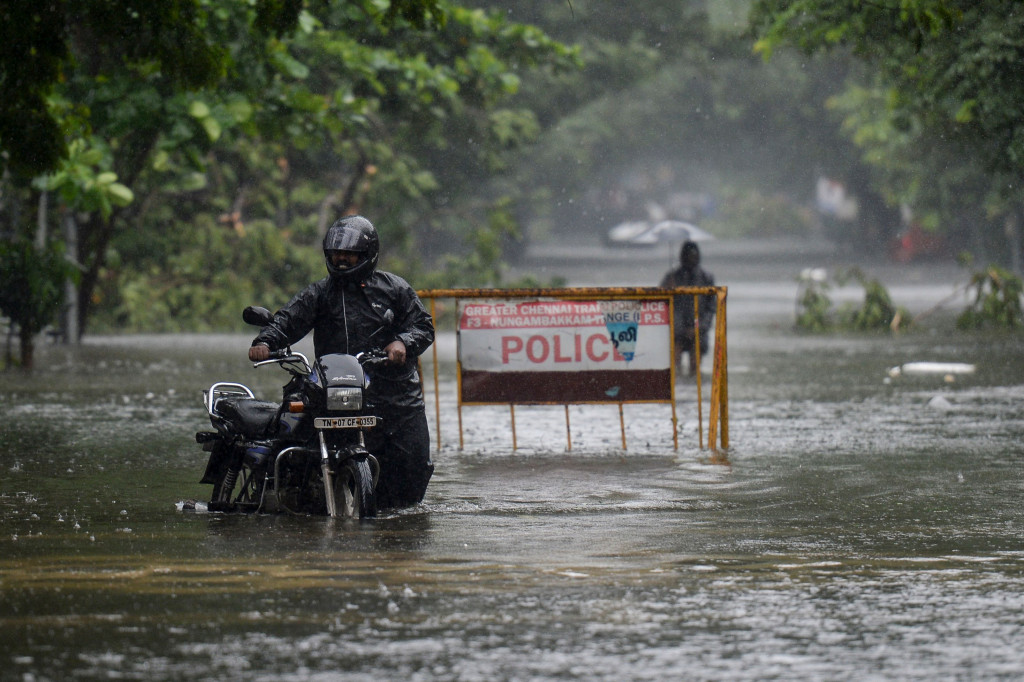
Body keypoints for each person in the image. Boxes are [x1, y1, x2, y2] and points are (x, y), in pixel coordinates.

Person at [248, 215, 435, 509]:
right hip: (339, 393)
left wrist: (403, 342)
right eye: (336, 254)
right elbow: (288, 320)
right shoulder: (319, 293)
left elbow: (423, 326)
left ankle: (399, 530)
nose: (342, 259)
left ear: (367, 254)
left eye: (350, 254)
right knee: (297, 433)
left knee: (412, 477)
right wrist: (266, 342)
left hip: (397, 398)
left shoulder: (395, 289)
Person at [659, 240, 716, 376]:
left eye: (694, 255)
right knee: (674, 369)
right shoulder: (671, 277)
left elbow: (711, 308)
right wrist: (666, 290)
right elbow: (661, 304)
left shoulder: (706, 278)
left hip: (699, 330)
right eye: (689, 255)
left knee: (695, 367)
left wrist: (699, 328)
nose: (692, 258)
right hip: (676, 329)